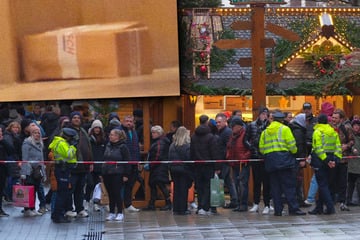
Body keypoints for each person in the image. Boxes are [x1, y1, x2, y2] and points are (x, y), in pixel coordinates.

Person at [259, 110, 306, 216]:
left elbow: (261, 148)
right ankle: (293, 209)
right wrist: (294, 152)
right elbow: (292, 145)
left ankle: (278, 210)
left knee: (275, 187)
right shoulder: (285, 129)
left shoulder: (265, 132)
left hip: (271, 162)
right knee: (289, 186)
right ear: (281, 120)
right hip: (285, 161)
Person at [308, 114, 341, 215]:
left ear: (318, 121)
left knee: (322, 185)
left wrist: (326, 160)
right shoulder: (333, 132)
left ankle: (330, 207)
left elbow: (318, 148)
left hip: (320, 161)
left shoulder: (317, 132)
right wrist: (335, 160)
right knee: (325, 184)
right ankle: (319, 208)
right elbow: (338, 147)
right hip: (331, 159)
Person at [191, 115, 222, 215]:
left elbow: (191, 151)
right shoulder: (210, 137)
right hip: (208, 165)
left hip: (197, 165)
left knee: (199, 187)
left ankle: (200, 206)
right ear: (207, 122)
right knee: (208, 186)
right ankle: (205, 207)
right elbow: (214, 152)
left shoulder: (193, 136)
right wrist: (217, 166)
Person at [48, 127, 78, 223]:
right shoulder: (61, 143)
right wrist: (73, 146)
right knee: (62, 193)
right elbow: (69, 154)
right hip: (62, 170)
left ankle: (57, 214)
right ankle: (58, 215)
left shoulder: (62, 142)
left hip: (64, 169)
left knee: (63, 193)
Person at [245, 107, 271, 214]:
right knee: (256, 181)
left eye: (266, 114)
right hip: (255, 156)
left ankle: (267, 204)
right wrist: (251, 147)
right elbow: (245, 139)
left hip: (266, 156)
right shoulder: (251, 125)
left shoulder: (269, 125)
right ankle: (256, 203)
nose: (264, 116)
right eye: (263, 114)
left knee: (267, 182)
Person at [102, 129, 131, 221]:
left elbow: (127, 161)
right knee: (110, 193)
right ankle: (111, 212)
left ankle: (120, 212)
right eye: (110, 135)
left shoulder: (123, 147)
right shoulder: (108, 145)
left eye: (112, 135)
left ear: (118, 137)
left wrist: (126, 174)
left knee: (117, 193)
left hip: (117, 173)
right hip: (107, 172)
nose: (110, 136)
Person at [68, 111, 93, 217]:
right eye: (74, 117)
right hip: (72, 166)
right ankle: (69, 209)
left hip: (84, 166)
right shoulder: (67, 131)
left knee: (80, 189)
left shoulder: (83, 131)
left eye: (78, 117)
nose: (76, 119)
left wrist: (90, 162)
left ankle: (80, 209)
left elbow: (89, 147)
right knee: (70, 189)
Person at [226, 117, 251, 213]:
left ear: (238, 126)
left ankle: (243, 204)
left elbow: (250, 148)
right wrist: (228, 157)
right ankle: (240, 203)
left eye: (233, 126)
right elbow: (229, 147)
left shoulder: (245, 135)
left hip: (242, 163)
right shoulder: (233, 135)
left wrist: (244, 157)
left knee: (242, 184)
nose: (232, 128)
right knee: (237, 183)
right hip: (234, 163)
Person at [331, 108, 354, 211]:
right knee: (332, 180)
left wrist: (347, 146)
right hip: (332, 158)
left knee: (343, 181)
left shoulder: (347, 128)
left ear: (341, 119)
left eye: (336, 118)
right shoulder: (329, 127)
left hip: (343, 158)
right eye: (333, 117)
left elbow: (352, 140)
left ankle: (342, 201)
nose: (333, 119)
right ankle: (332, 200)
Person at [143, 125, 171, 211]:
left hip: (159, 167)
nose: (152, 134)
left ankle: (168, 203)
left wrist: (150, 165)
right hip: (157, 167)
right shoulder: (160, 141)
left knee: (160, 185)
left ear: (159, 133)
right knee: (153, 184)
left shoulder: (160, 142)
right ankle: (152, 204)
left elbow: (158, 156)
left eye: (154, 132)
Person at [20, 126, 47, 216]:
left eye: (38, 133)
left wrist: (44, 173)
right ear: (31, 134)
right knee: (29, 190)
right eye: (35, 132)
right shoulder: (26, 143)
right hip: (29, 171)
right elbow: (24, 158)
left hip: (37, 172)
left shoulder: (40, 144)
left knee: (34, 190)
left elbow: (41, 160)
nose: (37, 134)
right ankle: (27, 209)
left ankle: (32, 208)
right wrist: (23, 173)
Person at [215, 113, 238, 209]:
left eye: (219, 122)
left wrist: (220, 164)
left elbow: (226, 149)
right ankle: (234, 200)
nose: (217, 124)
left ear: (225, 122)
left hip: (224, 161)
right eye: (216, 122)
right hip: (224, 161)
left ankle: (219, 201)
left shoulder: (226, 132)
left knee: (222, 181)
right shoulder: (221, 132)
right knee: (228, 181)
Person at [168, 126, 192, 215]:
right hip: (184, 170)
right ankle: (183, 209)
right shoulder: (186, 146)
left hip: (174, 169)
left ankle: (176, 208)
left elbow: (169, 158)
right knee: (183, 190)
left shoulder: (172, 145)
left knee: (176, 189)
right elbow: (188, 159)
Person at [121, 115, 141, 212]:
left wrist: (138, 161)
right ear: (123, 121)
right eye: (127, 121)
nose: (129, 123)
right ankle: (118, 204)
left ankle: (128, 204)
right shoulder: (120, 132)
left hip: (134, 163)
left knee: (130, 185)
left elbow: (136, 148)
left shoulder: (134, 132)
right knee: (120, 185)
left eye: (130, 121)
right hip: (124, 163)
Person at [289, 113, 307, 207]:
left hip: (294, 159)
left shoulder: (295, 128)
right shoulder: (298, 131)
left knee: (296, 180)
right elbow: (299, 145)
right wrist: (301, 158)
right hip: (297, 159)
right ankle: (298, 201)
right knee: (297, 181)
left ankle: (298, 200)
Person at [88, 119, 106, 212]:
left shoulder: (104, 140)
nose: (97, 129)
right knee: (90, 184)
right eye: (95, 127)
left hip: (100, 166)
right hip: (91, 165)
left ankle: (95, 203)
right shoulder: (89, 139)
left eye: (99, 127)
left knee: (97, 185)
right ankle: (86, 200)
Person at [347, 119, 360, 206]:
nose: (356, 126)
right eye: (355, 125)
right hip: (352, 162)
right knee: (351, 182)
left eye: (358, 125)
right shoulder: (350, 136)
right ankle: (348, 200)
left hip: (358, 162)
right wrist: (352, 149)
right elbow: (347, 145)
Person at [0, 126, 10, 217]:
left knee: (1, 189)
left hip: (2, 169)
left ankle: (0, 209)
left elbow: (11, 150)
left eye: (0, 132)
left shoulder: (3, 142)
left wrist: (2, 140)